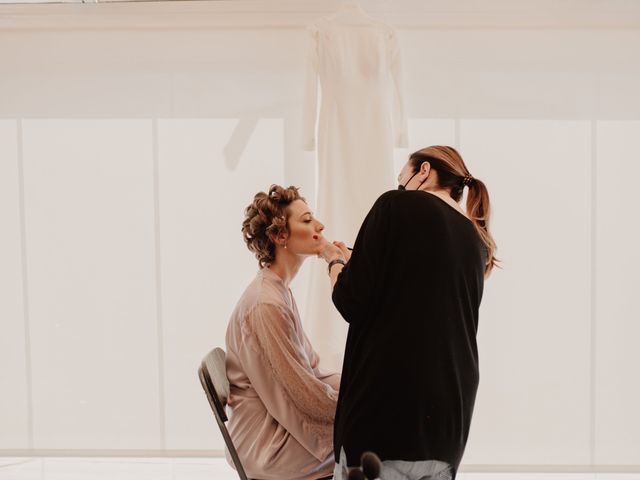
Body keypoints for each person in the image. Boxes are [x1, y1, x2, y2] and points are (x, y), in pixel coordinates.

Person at [319, 146, 499, 480]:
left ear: (424, 171)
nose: (400, 187)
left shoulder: (394, 204)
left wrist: (335, 262)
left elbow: (349, 300)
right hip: (449, 414)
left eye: (402, 179)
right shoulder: (476, 240)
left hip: (387, 404)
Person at [225, 184, 340, 480]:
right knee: (381, 432)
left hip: (276, 422)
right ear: (280, 236)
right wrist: (364, 402)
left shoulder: (278, 291)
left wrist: (365, 382)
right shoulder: (267, 304)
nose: (319, 226)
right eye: (306, 220)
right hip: (267, 443)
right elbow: (306, 397)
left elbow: (311, 373)